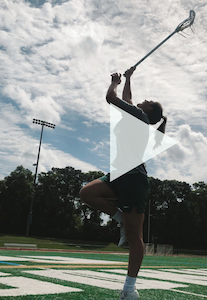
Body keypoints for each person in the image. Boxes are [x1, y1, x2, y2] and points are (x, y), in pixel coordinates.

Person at [79, 67, 167, 300]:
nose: (143, 99)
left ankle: (129, 290)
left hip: (134, 179)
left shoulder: (139, 116)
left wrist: (115, 82)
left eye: (147, 100)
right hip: (119, 175)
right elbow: (128, 99)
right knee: (87, 193)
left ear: (148, 110)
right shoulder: (137, 115)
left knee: (134, 235)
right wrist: (129, 79)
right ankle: (118, 217)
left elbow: (112, 98)